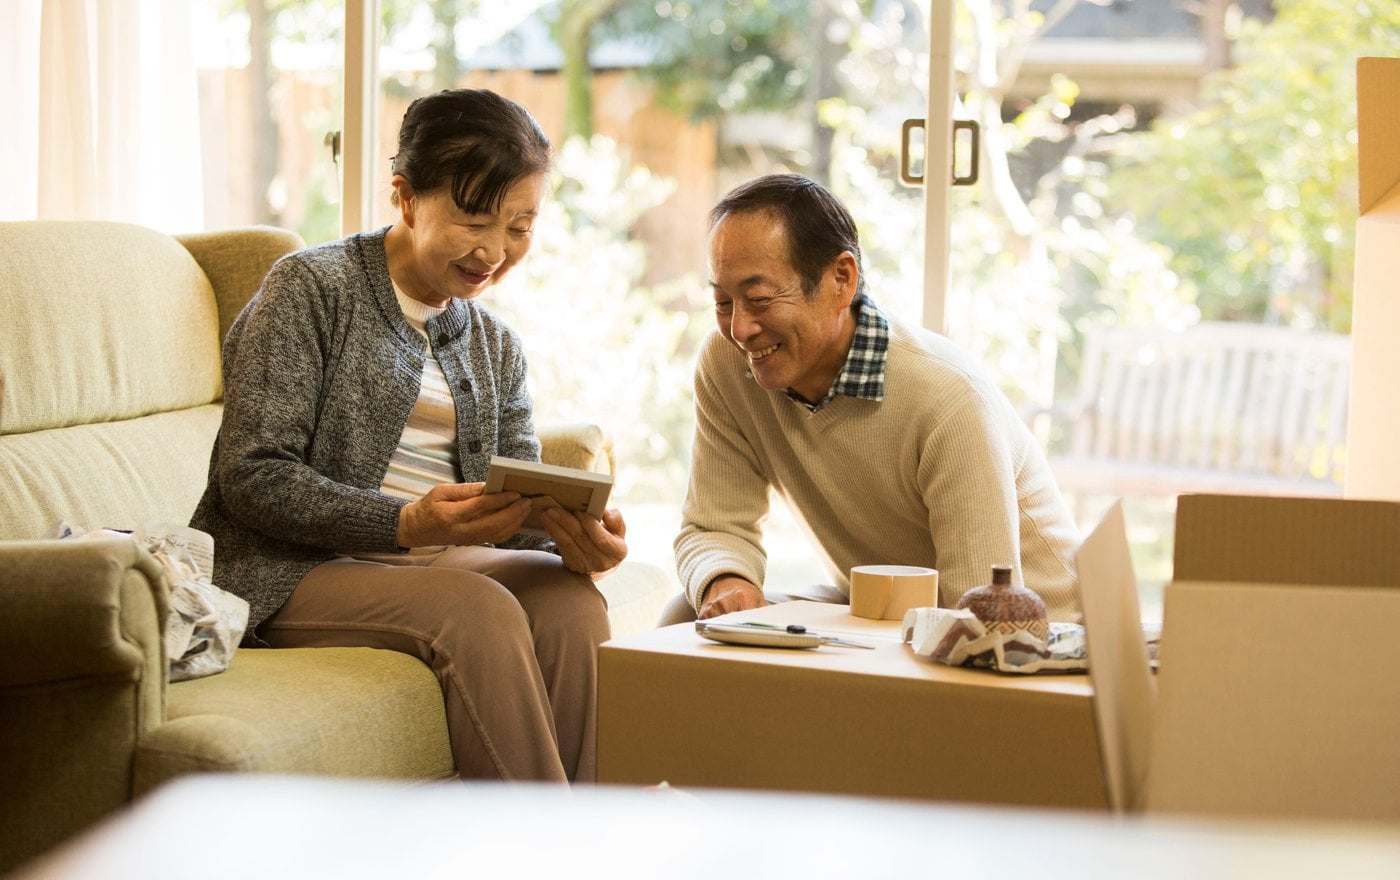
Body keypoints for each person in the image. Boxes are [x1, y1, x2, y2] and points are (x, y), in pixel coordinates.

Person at [191, 88, 626, 784]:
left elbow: (516, 509)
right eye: (473, 219)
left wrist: (571, 539)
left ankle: (591, 821)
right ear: (406, 198)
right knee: (476, 611)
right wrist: (403, 523)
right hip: (292, 568)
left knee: (567, 600)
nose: (494, 250)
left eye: (519, 225)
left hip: (434, 563)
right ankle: (551, 839)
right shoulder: (310, 288)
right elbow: (252, 475)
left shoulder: (495, 344)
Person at [661, 172, 1080, 625]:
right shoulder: (728, 364)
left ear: (841, 280)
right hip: (886, 612)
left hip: (1035, 635)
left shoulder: (949, 399)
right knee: (687, 611)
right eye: (723, 302)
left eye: (759, 299)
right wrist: (728, 584)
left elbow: (978, 616)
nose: (740, 328)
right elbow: (713, 525)